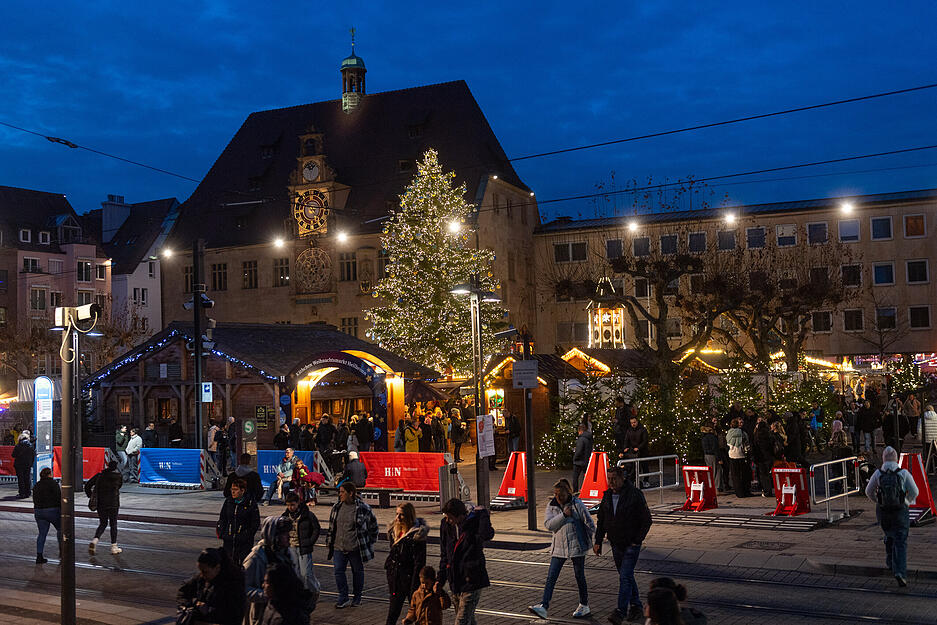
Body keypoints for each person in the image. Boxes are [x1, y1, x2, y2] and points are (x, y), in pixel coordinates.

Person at [593, 465, 652, 625]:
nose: (611, 482)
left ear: (622, 478)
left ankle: (620, 611)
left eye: (614, 479)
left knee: (625, 576)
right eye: (609, 479)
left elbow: (646, 520)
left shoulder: (634, 495)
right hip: (615, 542)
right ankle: (636, 605)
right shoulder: (606, 496)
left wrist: (637, 540)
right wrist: (598, 540)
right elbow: (602, 520)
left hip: (630, 544)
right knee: (626, 576)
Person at [528, 478, 594, 619]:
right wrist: (564, 515)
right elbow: (549, 525)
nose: (558, 498)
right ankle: (544, 606)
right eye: (556, 494)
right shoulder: (551, 506)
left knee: (579, 576)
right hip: (559, 547)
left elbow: (589, 523)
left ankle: (584, 605)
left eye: (561, 495)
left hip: (577, 545)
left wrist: (593, 542)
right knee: (551, 576)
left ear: (568, 493)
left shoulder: (577, 504)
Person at [865, 446, 919, 587]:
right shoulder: (903, 473)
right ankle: (900, 572)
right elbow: (915, 491)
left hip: (884, 511)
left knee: (889, 535)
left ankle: (890, 562)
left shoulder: (878, 473)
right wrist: (906, 502)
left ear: (883, 458)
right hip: (900, 510)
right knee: (900, 540)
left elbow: (868, 491)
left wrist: (878, 501)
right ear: (896, 458)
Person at [438, 498, 494, 625]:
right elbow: (444, 554)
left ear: (460, 516)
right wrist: (440, 579)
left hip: (472, 580)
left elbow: (487, 534)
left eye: (450, 517)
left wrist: (483, 514)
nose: (448, 520)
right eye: (446, 517)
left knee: (461, 621)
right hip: (455, 580)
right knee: (468, 620)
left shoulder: (474, 522)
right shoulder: (446, 525)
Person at [243, 516, 308, 625]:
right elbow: (244, 588)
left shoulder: (288, 554)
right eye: (284, 534)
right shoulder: (256, 557)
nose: (288, 537)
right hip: (261, 615)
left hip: (286, 613)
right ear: (274, 535)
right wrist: (267, 595)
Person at [327, 481, 379, 608]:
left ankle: (357, 597)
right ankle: (343, 596)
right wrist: (330, 543)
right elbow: (332, 527)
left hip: (355, 548)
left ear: (351, 493)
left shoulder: (363, 508)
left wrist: (368, 542)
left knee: (358, 572)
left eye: (342, 492)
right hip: (339, 547)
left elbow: (374, 526)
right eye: (340, 492)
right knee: (338, 571)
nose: (340, 495)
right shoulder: (336, 507)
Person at [176, 547, 245, 625]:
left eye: (205, 572)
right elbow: (183, 591)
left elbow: (234, 615)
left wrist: (208, 610)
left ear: (217, 568)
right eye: (200, 571)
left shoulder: (233, 585)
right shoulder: (201, 578)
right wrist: (189, 604)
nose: (202, 575)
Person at [385, 502, 428, 625]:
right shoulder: (394, 531)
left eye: (401, 515)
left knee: (418, 613)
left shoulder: (417, 535)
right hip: (396, 579)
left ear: (409, 516)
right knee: (393, 612)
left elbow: (419, 562)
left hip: (410, 580)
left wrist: (415, 585)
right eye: (397, 514)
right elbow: (393, 555)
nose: (398, 518)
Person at [281, 492, 322, 594]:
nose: (290, 507)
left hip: (304, 547)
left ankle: (314, 590)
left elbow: (316, 528)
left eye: (293, 505)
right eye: (288, 505)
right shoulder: (285, 516)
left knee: (306, 573)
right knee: (296, 573)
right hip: (291, 547)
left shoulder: (307, 515)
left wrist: (310, 541)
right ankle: (301, 592)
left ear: (298, 503)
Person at [217, 477, 260, 565]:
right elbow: (222, 518)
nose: (232, 492)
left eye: (235, 489)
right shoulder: (228, 501)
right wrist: (222, 533)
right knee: (229, 565)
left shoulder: (250, 503)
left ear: (242, 490)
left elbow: (255, 522)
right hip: (229, 540)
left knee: (244, 565)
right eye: (232, 489)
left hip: (244, 542)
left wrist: (247, 535)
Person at [85, 460, 123, 555]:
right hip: (113, 504)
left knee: (103, 523)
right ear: (115, 467)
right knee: (113, 524)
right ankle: (114, 547)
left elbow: (87, 485)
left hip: (101, 503)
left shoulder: (100, 476)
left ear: (107, 466)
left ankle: (95, 541)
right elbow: (119, 487)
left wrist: (90, 495)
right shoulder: (118, 477)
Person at [32, 466, 61, 563]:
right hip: (52, 510)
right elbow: (58, 497)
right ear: (50, 474)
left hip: (39, 511)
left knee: (42, 534)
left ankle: (39, 556)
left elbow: (34, 499)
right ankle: (62, 552)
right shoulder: (53, 484)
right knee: (61, 529)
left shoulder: (37, 485)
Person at [726, 418, 752, 498]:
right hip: (741, 455)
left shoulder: (729, 433)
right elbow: (747, 444)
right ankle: (745, 491)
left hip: (732, 455)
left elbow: (727, 443)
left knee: (735, 475)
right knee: (744, 474)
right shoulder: (743, 433)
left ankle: (738, 492)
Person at [622, 416, 649, 487]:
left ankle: (646, 480)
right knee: (632, 466)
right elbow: (626, 440)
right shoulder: (629, 430)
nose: (633, 424)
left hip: (642, 451)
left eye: (634, 422)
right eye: (631, 423)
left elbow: (645, 441)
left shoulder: (643, 430)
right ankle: (633, 480)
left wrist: (639, 447)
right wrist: (625, 447)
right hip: (633, 452)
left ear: (637, 422)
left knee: (644, 466)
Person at [753, 417, 776, 497]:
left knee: (763, 475)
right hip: (769, 457)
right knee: (769, 474)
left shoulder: (757, 436)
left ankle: (767, 490)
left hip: (761, 457)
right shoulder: (770, 435)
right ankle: (770, 488)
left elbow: (755, 447)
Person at [700, 424, 722, 493]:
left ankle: (710, 487)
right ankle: (716, 488)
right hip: (713, 455)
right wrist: (719, 458)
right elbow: (716, 448)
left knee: (710, 472)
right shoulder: (712, 437)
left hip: (706, 455)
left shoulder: (704, 437)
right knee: (717, 471)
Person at [12, 431, 34, 498]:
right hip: (27, 464)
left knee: (21, 479)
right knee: (27, 478)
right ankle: (28, 492)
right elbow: (33, 455)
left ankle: (22, 493)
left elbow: (13, 455)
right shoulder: (30, 445)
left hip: (19, 464)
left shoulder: (18, 446)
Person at [572, 423, 592, 492]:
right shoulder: (589, 438)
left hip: (578, 462)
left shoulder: (581, 439)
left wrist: (575, 458)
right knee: (586, 477)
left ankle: (575, 491)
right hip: (585, 461)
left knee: (575, 478)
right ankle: (587, 490)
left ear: (580, 431)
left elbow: (579, 451)